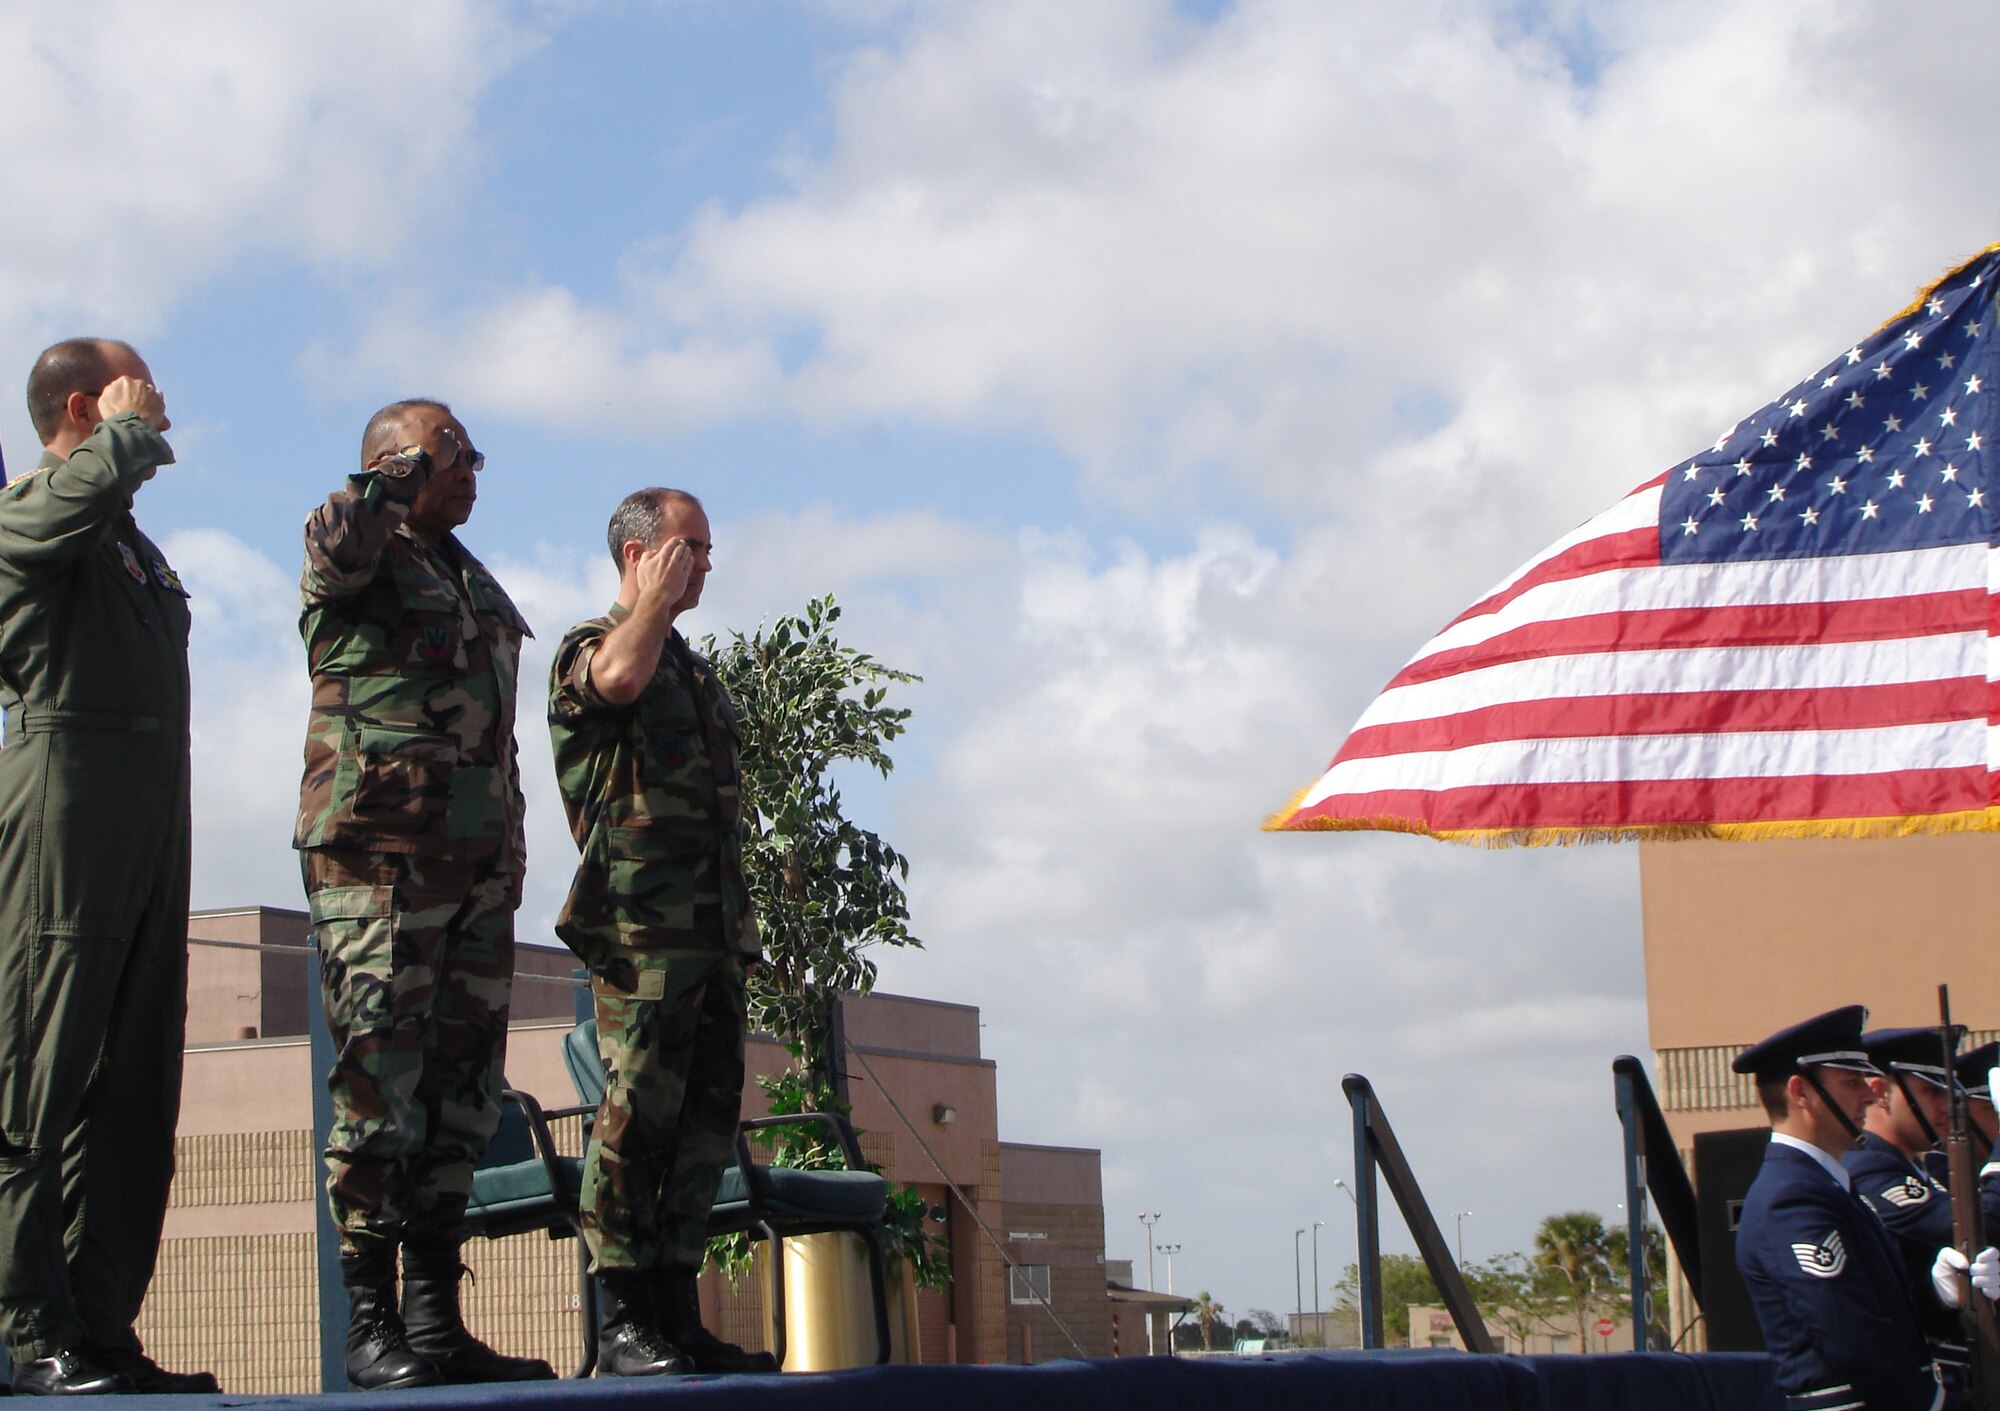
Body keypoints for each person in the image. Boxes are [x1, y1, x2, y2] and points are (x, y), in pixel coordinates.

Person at [296, 400, 551, 1387]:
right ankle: (370, 1323)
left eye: (476, 454)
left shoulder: (470, 578)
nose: (474, 469)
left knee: (459, 1097)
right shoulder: (358, 546)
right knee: (377, 1090)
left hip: (474, 873)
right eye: (455, 455)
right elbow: (335, 546)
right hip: (381, 865)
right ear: (396, 463)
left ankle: (436, 1318)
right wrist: (389, 480)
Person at [0, 341, 213, 1395]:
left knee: (135, 1085)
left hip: (148, 814)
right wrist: (124, 440)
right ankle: (32, 1327)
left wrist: (123, 457)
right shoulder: (32, 508)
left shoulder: (127, 543)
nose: (159, 401)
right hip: (65, 806)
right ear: (84, 403)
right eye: (137, 388)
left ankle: (100, 1326)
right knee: (36, 1075)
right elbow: (53, 518)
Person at [547, 488, 775, 1377]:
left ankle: (676, 1308)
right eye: (691, 548)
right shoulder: (597, 645)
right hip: (643, 927)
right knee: (637, 1115)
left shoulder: (689, 663)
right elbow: (617, 683)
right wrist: (648, 600)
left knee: (705, 1118)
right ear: (639, 553)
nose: (706, 565)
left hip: (712, 927)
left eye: (710, 552)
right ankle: (623, 1320)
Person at [1733, 1005, 1997, 1411]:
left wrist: (1938, 1292)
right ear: (1800, 1092)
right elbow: (1850, 1337)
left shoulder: (1827, 1185)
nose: (1868, 1094)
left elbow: (1882, 1308)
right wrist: (1939, 1404)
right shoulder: (1792, 1197)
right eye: (1851, 1082)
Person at [1846, 1027, 1970, 1388]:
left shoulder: (1922, 1168)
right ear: (1880, 1092)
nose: (1947, 1105)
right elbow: (1980, 1226)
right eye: (1932, 1091)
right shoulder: (1868, 1165)